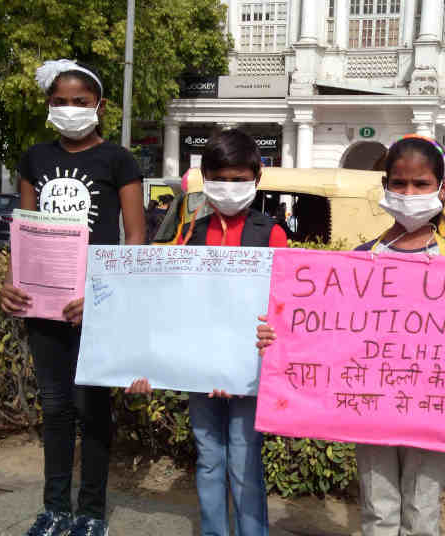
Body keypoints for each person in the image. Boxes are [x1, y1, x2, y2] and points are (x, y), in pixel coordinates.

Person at [256, 134, 445, 536]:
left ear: (443, 188)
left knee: (423, 513)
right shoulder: (360, 261)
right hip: (370, 410)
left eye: (420, 184)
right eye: (398, 184)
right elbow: (330, 334)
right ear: (383, 187)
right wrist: (281, 339)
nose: (408, 193)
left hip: (434, 413)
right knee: (378, 510)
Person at [0, 59, 146, 536]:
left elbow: (135, 240)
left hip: (95, 306)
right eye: (59, 102)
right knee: (56, 408)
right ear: (48, 106)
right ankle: (55, 508)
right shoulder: (34, 158)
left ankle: (91, 513)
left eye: (80, 102)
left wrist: (106, 297)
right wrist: (11, 284)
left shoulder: (118, 160)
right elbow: (23, 232)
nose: (69, 109)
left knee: (92, 410)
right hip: (43, 307)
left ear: (99, 107)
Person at [127, 129, 287, 536]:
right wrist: (144, 360)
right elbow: (171, 305)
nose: (229, 188)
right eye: (220, 179)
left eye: (238, 179)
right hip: (198, 372)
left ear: (257, 177)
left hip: (248, 374)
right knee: (210, 458)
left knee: (244, 463)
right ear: (204, 177)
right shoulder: (189, 233)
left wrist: (233, 367)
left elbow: (283, 310)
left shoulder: (271, 234)